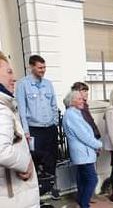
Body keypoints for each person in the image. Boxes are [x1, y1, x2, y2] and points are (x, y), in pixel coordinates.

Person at [16, 55, 59, 199]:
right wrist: (26, 132)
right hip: (35, 130)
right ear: (31, 67)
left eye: (44, 67)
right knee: (35, 160)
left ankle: (51, 186)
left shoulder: (48, 83)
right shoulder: (23, 84)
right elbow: (22, 110)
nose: (43, 70)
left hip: (50, 129)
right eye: (40, 67)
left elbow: (54, 105)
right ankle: (35, 191)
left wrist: (55, 123)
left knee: (52, 158)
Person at [0, 51, 40, 207]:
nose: (14, 78)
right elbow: (1, 150)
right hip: (16, 197)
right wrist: (25, 163)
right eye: (9, 72)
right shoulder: (2, 109)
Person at [62, 91, 102, 208]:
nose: (82, 101)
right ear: (72, 101)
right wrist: (98, 145)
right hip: (83, 153)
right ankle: (84, 204)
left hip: (83, 153)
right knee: (92, 179)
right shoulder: (71, 115)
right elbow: (83, 135)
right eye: (79, 99)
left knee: (83, 178)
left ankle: (81, 201)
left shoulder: (75, 113)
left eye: (82, 99)